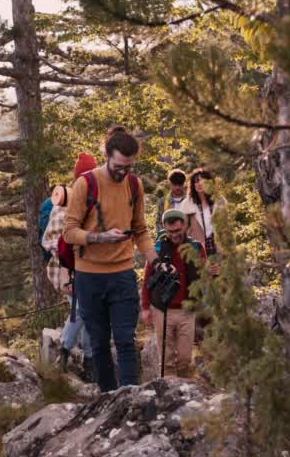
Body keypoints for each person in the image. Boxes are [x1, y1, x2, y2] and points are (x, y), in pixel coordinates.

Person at [63, 127, 157, 391]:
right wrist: (100, 238)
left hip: (123, 274)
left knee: (126, 339)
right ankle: (107, 398)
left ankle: (130, 397)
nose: (123, 172)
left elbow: (140, 229)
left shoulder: (134, 185)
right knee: (100, 343)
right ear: (106, 155)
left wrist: (155, 258)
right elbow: (69, 232)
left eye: (128, 167)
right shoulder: (85, 184)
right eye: (118, 166)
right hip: (89, 277)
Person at [142, 209, 205, 379]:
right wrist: (145, 307)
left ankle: (185, 391)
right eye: (170, 232)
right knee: (166, 359)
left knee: (185, 358)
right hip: (161, 309)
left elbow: (204, 275)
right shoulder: (158, 248)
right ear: (164, 229)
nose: (174, 235)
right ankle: (168, 394)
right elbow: (148, 278)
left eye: (177, 230)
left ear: (184, 225)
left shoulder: (196, 248)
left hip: (187, 309)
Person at [41, 181, 92, 377]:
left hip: (72, 269)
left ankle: (86, 359)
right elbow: (52, 242)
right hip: (69, 270)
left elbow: (47, 240)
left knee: (84, 313)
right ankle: (66, 349)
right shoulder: (66, 211)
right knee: (81, 311)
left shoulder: (63, 209)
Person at [181, 167, 221, 275]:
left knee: (219, 283)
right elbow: (182, 232)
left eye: (202, 180)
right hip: (198, 250)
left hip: (217, 248)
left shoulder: (219, 201)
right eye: (196, 181)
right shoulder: (187, 204)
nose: (198, 183)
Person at [154, 168, 188, 237]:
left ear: (184, 183)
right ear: (170, 184)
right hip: (168, 238)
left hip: (187, 238)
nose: (178, 187)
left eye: (180, 184)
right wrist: (164, 236)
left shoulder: (190, 200)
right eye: (175, 185)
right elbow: (159, 222)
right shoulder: (163, 201)